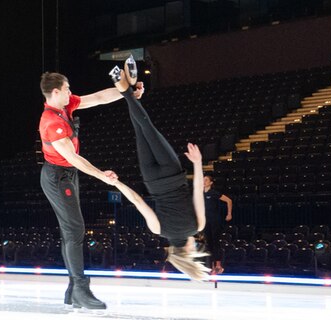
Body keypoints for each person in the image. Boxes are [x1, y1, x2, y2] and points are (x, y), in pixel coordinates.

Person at [38, 71, 143, 310]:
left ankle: (73, 289)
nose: (69, 92)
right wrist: (101, 175)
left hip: (67, 175)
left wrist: (127, 93)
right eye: (66, 88)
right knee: (75, 229)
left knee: (71, 231)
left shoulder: (65, 106)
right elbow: (73, 158)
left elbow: (98, 98)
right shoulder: (51, 122)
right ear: (55, 92)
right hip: (57, 176)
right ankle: (80, 289)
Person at [109, 57, 210, 281]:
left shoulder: (197, 226)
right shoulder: (159, 230)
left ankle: (124, 89)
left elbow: (197, 192)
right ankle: (128, 91)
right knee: (139, 129)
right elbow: (137, 201)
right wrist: (116, 183)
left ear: (188, 250)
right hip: (152, 180)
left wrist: (197, 163)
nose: (196, 244)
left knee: (147, 127)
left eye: (195, 250)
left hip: (173, 173)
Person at [203, 174, 232, 274]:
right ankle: (211, 267)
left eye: (206, 180)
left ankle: (218, 265)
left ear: (211, 183)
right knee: (208, 243)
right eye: (203, 180)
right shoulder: (201, 194)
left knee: (216, 242)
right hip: (206, 221)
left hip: (215, 220)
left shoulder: (214, 193)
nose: (204, 181)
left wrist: (229, 214)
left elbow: (229, 200)